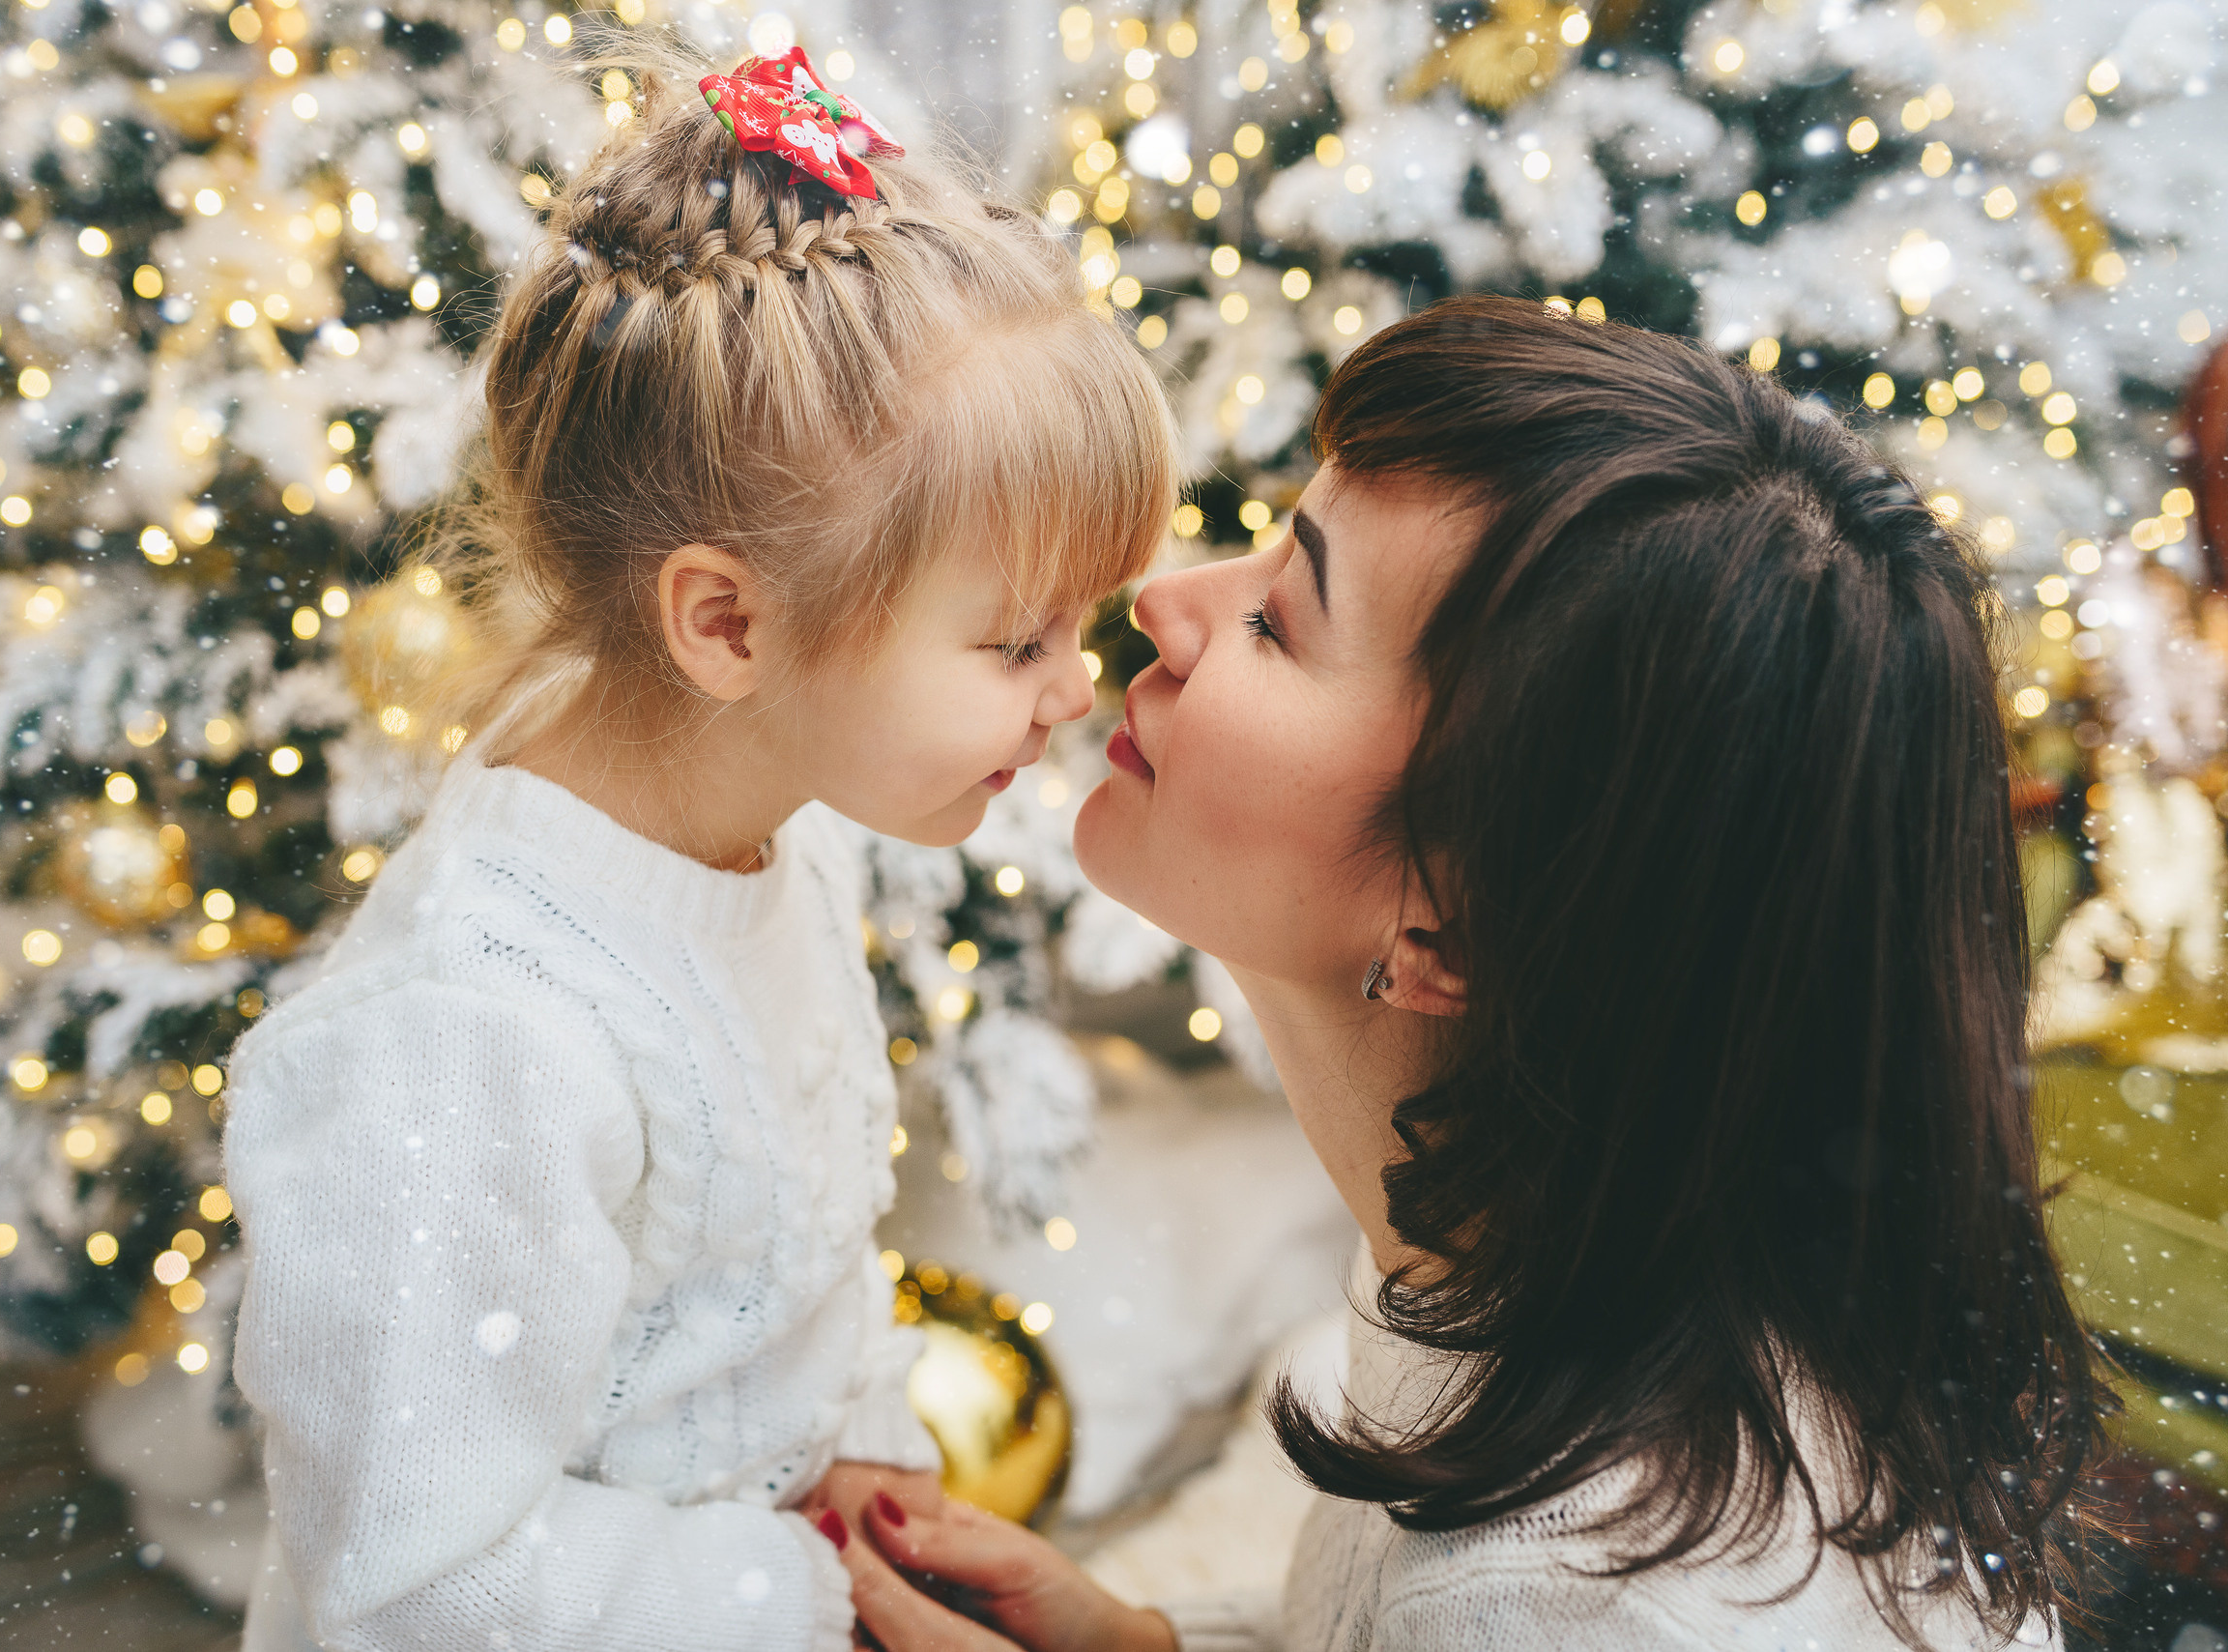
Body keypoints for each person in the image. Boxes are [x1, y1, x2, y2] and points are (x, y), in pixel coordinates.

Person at [835, 296, 2100, 1651]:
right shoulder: (1585, 1311)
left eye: (1279, 618)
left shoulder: (1558, 1598)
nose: (1167, 600)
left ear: (1456, 924)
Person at [220, 43, 1174, 1652]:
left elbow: (784, 1266)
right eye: (1017, 641)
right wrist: (798, 1601)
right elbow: (417, 1577)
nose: (1081, 690)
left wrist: (862, 1448)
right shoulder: (468, 1045)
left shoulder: (775, 830)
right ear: (730, 622)